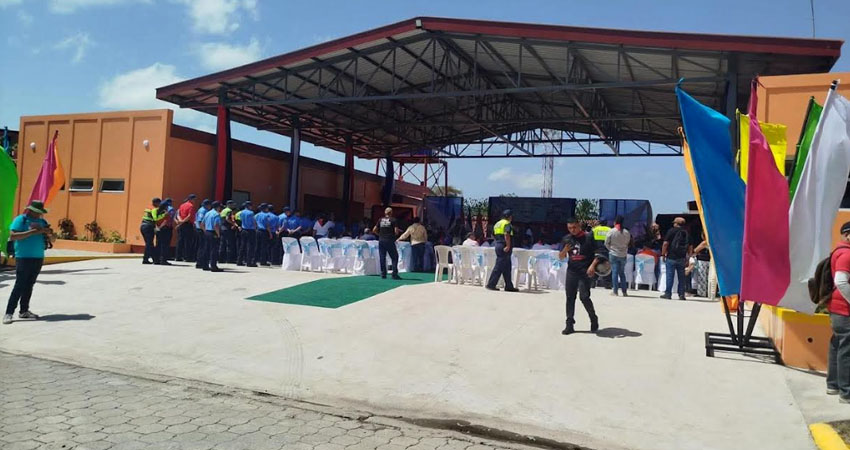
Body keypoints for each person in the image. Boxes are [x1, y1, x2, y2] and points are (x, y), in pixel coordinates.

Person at [4, 201, 52, 324]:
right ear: (30, 210)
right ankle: (9, 313)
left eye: (40, 213)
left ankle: (24, 311)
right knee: (19, 285)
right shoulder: (21, 220)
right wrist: (33, 232)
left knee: (29, 285)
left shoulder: (42, 222)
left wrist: (49, 233)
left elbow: (53, 238)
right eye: (37, 212)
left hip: (38, 257)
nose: (39, 215)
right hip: (23, 257)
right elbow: (13, 236)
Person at [559, 217, 601, 335]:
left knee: (584, 297)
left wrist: (592, 266)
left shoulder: (588, 237)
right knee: (570, 297)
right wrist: (564, 250)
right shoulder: (567, 239)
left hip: (585, 271)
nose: (572, 230)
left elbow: (598, 253)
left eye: (574, 227)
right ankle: (569, 323)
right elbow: (560, 256)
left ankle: (593, 318)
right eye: (570, 228)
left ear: (579, 226)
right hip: (572, 271)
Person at [828, 221, 850, 402]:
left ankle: (833, 385)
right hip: (844, 309)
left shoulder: (839, 251)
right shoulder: (846, 255)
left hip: (837, 308)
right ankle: (846, 392)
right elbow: (841, 281)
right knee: (846, 349)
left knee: (837, 344)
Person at [485, 210, 518, 292]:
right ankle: (491, 284)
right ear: (509, 216)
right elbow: (507, 234)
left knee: (507, 266)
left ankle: (509, 286)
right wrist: (508, 245)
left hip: (498, 244)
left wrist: (498, 241)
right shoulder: (507, 224)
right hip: (504, 245)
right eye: (511, 216)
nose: (512, 218)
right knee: (499, 266)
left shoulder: (497, 224)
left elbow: (492, 234)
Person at [661, 217, 689, 300]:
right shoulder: (686, 232)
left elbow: (665, 243)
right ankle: (681, 295)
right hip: (682, 258)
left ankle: (668, 294)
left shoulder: (671, 231)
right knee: (682, 278)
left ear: (676, 224)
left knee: (670, 276)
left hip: (671, 257)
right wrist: (688, 257)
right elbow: (690, 246)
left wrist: (663, 254)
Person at [605, 215, 631, 297]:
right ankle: (624, 291)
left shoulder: (611, 231)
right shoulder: (627, 232)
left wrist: (610, 249)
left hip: (613, 254)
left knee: (615, 273)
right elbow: (628, 243)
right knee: (622, 273)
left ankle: (615, 291)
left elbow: (606, 243)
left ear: (615, 222)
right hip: (623, 254)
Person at [373, 207, 401, 279]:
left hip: (381, 240)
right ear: (391, 213)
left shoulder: (380, 220)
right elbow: (396, 231)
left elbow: (374, 230)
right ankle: (394, 274)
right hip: (389, 240)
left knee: (382, 257)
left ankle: (383, 273)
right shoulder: (393, 220)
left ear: (385, 213)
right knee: (394, 257)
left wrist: (380, 234)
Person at [140, 197, 164, 265]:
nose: (160, 205)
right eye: (159, 203)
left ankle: (153, 259)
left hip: (143, 226)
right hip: (149, 227)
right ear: (156, 203)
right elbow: (155, 218)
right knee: (149, 243)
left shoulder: (148, 208)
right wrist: (163, 215)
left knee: (149, 243)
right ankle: (146, 259)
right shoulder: (154, 209)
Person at [174, 194, 197, 262]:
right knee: (188, 241)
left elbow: (178, 214)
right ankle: (187, 257)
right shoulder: (191, 206)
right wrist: (183, 222)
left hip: (182, 224)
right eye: (194, 199)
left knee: (180, 241)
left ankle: (178, 256)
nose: (195, 201)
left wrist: (180, 222)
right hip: (187, 224)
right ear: (190, 199)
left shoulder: (182, 205)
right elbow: (189, 216)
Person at [237, 202, 257, 267]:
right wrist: (255, 227)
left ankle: (239, 261)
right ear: (249, 206)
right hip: (250, 230)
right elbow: (254, 222)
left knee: (242, 246)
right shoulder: (251, 213)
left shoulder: (241, 212)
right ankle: (249, 262)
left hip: (244, 229)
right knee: (250, 247)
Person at [156, 198, 175, 265]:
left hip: (158, 229)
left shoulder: (157, 211)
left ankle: (157, 259)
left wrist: (158, 228)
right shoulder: (166, 212)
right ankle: (163, 260)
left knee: (159, 244)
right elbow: (166, 221)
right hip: (165, 229)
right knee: (165, 244)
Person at [194, 199, 211, 269]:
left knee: (202, 246)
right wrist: (205, 231)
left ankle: (200, 262)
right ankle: (200, 262)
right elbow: (200, 221)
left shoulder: (203, 210)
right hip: (201, 230)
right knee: (202, 247)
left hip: (201, 229)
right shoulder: (203, 210)